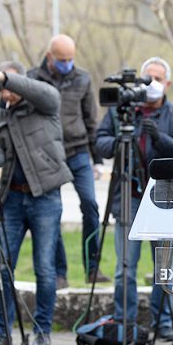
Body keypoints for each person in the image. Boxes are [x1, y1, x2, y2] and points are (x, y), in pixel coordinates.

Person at [0, 62, 73, 345]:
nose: (6, 92)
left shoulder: (44, 105)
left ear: (20, 81)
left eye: (10, 85)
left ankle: (42, 330)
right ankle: (2, 333)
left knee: (45, 269)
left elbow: (49, 94)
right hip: (13, 200)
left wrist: (7, 77)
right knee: (3, 268)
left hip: (46, 198)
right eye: (1, 88)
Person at [96, 57, 173, 340]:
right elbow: (100, 142)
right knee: (125, 266)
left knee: (164, 267)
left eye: (158, 79)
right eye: (148, 78)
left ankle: (163, 325)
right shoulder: (122, 111)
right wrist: (124, 139)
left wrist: (158, 137)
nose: (152, 84)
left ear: (167, 84)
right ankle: (125, 324)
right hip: (129, 195)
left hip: (164, 196)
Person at [28, 34, 109, 289]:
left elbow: (90, 119)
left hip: (79, 152)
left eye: (71, 59)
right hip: (49, 155)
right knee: (53, 212)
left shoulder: (82, 78)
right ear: (50, 56)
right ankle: (60, 272)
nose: (67, 64)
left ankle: (92, 267)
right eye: (62, 59)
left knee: (90, 205)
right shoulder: (33, 79)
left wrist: (97, 160)